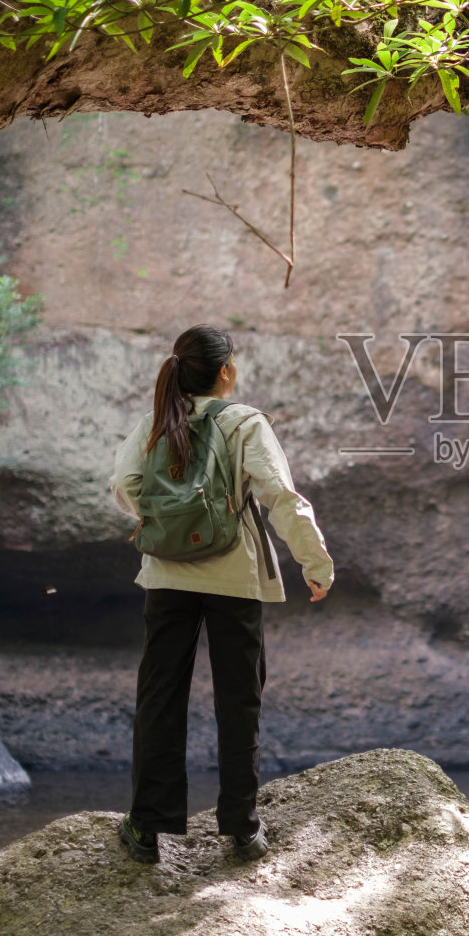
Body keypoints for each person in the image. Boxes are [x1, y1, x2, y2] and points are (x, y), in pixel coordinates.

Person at [109, 325, 334, 866]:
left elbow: (123, 488)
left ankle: (147, 830)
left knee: (160, 696)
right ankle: (241, 828)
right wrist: (316, 562)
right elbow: (280, 497)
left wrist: (167, 522)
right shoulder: (244, 423)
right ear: (225, 371)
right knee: (239, 699)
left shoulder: (156, 423)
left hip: (166, 577)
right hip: (235, 579)